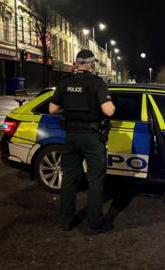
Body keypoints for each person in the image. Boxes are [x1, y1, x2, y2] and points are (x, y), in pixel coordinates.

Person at [49, 49, 115, 234]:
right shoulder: (96, 83)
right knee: (95, 180)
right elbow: (109, 111)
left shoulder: (64, 83)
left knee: (69, 179)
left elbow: (52, 109)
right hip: (92, 137)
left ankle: (65, 220)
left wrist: (69, 110)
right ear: (92, 65)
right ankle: (94, 223)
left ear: (76, 64)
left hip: (71, 136)